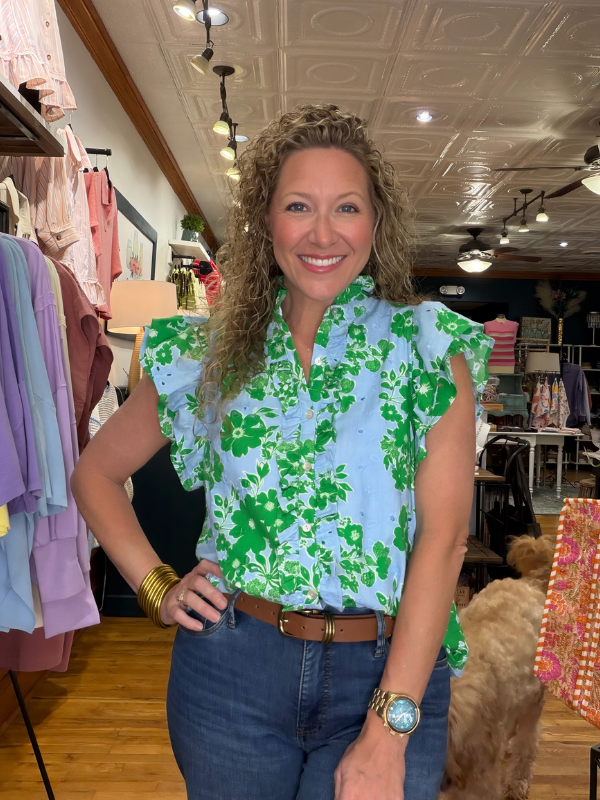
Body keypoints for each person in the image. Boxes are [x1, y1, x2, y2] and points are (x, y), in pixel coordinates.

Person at [72, 104, 492, 800]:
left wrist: (388, 731)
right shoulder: (207, 355)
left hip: (389, 670)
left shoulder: (428, 350)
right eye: (299, 206)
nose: (322, 233)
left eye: (347, 207)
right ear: (266, 223)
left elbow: (444, 543)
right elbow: (96, 473)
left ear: (375, 223)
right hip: (231, 672)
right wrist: (155, 587)